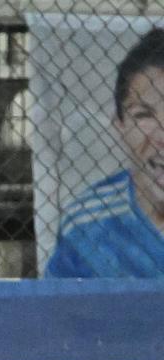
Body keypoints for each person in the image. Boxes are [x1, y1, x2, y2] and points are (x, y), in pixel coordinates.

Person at [45, 27, 164, 278]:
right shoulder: (86, 225)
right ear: (119, 126)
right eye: (144, 115)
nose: (162, 135)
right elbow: (60, 315)